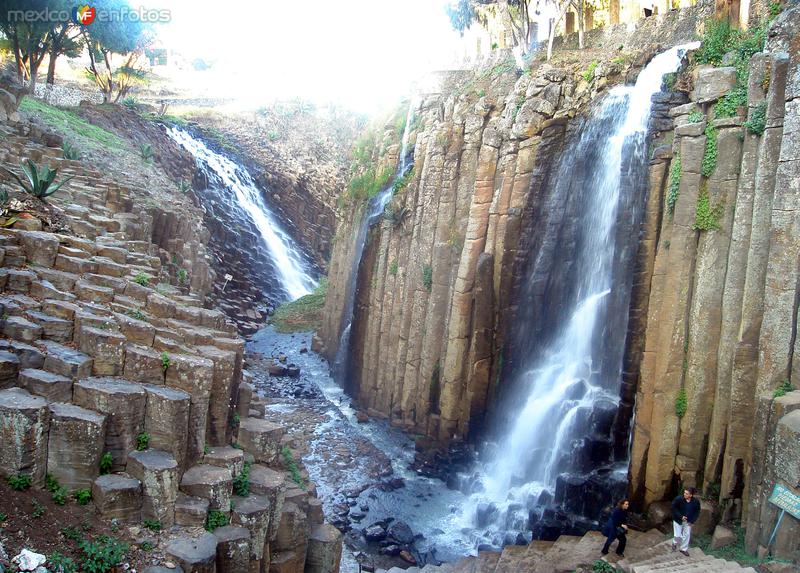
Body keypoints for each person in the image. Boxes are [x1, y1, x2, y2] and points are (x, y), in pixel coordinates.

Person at [671, 487, 700, 555]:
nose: (684, 494)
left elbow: (697, 512)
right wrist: (681, 517)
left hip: (688, 521)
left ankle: (683, 549)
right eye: (684, 493)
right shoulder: (679, 499)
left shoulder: (695, 502)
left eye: (686, 494)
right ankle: (674, 542)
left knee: (687, 535)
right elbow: (673, 508)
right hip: (678, 520)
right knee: (677, 535)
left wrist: (692, 521)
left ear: (691, 495)